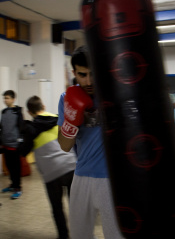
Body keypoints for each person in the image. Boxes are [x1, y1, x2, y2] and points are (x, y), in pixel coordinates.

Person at [57, 46, 123, 239]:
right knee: (79, 235)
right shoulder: (66, 99)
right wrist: (71, 120)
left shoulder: (115, 95)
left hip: (112, 179)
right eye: (82, 75)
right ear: (74, 73)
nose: (88, 81)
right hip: (81, 176)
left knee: (115, 235)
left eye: (93, 74)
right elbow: (65, 145)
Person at [19, 96, 76, 239]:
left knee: (57, 208)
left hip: (52, 172)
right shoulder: (58, 118)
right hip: (71, 165)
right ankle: (79, 233)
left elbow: (23, 151)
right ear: (43, 106)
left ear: (29, 111)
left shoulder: (30, 128)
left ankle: (64, 236)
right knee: (75, 205)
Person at [0, 90, 24, 199]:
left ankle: (18, 188)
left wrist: (20, 142)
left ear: (13, 99)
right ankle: (12, 185)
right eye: (4, 98)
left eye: (7, 98)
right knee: (9, 166)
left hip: (15, 145)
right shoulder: (3, 112)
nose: (5, 100)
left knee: (16, 167)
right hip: (5, 144)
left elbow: (22, 128)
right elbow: (1, 127)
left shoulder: (17, 112)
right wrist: (0, 141)